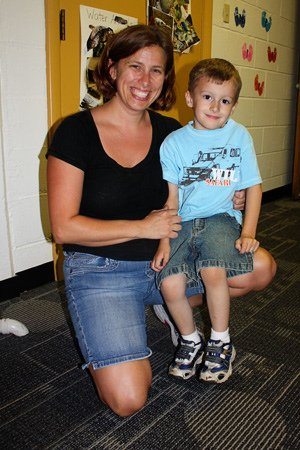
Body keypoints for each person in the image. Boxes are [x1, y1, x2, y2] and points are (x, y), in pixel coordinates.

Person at [47, 26, 276, 417]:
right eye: (135, 66)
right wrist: (141, 227)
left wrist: (232, 193)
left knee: (260, 267)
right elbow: (63, 228)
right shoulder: (74, 132)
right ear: (113, 69)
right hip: (102, 270)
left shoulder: (174, 134)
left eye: (156, 71)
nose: (145, 80)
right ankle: (161, 310)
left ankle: (173, 309)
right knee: (127, 400)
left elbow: (205, 183)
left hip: (167, 261)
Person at [151, 58, 273, 384]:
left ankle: (220, 340)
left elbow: (254, 187)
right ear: (190, 98)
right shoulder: (174, 144)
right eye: (207, 97)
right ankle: (190, 340)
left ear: (234, 105)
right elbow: (171, 200)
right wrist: (164, 240)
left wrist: (248, 231)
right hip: (184, 222)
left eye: (225, 100)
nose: (215, 107)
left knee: (212, 268)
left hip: (221, 218)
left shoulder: (240, 136)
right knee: (169, 283)